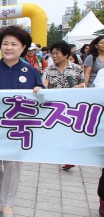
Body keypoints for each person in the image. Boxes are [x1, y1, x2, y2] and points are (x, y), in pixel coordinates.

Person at [0, 26, 44, 217]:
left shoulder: (31, 72)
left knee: (13, 165)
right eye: (5, 43)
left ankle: (7, 202)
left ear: (23, 48)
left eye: (14, 44)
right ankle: (3, 184)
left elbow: (42, 100)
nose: (8, 47)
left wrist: (40, 90)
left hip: (19, 128)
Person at [41, 40, 86, 171]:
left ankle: (69, 158)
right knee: (58, 130)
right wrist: (42, 87)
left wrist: (77, 87)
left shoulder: (77, 68)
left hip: (73, 105)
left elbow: (84, 84)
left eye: (57, 53)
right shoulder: (49, 69)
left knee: (71, 131)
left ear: (66, 54)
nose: (54, 56)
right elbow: (45, 83)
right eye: (52, 53)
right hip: (55, 106)